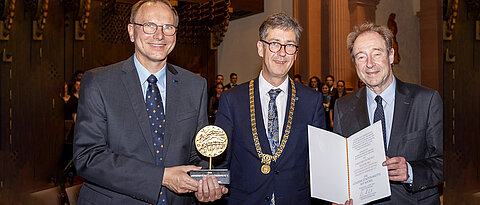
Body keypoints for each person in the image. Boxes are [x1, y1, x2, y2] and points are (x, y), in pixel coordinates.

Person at [73, 1, 226, 204]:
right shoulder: (99, 83)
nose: (159, 35)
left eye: (168, 27)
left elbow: (196, 154)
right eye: (149, 25)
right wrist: (161, 177)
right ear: (131, 31)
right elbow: (88, 157)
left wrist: (204, 184)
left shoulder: (195, 85)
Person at [214, 13, 326, 204]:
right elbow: (220, 161)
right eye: (274, 43)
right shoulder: (231, 100)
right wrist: (213, 185)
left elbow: (320, 164)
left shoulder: (312, 101)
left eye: (290, 45)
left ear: (296, 53)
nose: (282, 53)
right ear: (261, 48)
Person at [334, 22, 443, 204]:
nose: (370, 64)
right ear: (354, 63)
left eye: (377, 54)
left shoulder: (427, 101)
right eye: (361, 57)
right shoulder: (342, 107)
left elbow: (444, 163)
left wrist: (410, 171)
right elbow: (341, 169)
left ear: (391, 55)